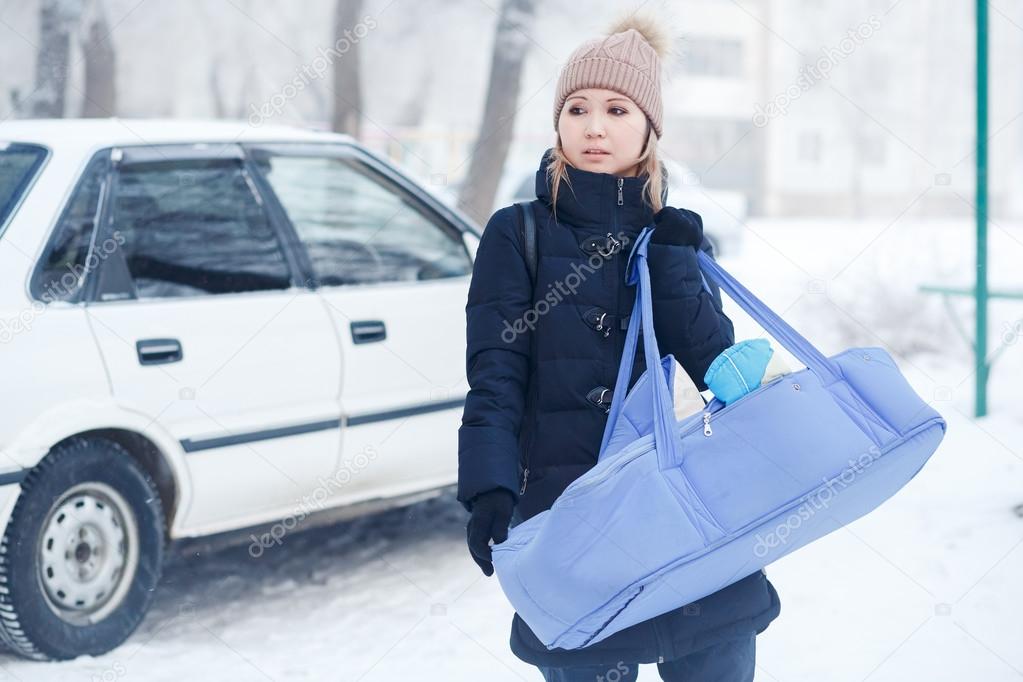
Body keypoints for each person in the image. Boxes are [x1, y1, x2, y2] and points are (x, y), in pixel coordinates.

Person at [457, 12, 780, 681]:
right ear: (557, 122)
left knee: (715, 661)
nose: (593, 126)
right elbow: (495, 374)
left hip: (681, 515)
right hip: (568, 513)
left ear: (648, 126)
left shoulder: (673, 236)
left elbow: (713, 365)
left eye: (615, 108)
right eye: (576, 108)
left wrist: (672, 263)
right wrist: (487, 488)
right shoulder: (516, 234)